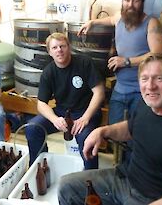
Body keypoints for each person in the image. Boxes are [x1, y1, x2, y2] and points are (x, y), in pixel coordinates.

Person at [58, 54, 162, 205]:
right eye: (144, 79)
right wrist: (103, 131)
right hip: (124, 179)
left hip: (153, 199)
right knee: (66, 187)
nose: (150, 86)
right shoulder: (146, 105)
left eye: (159, 78)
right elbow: (131, 128)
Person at [78, 0, 162, 162]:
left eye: (135, 0)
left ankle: (133, 172)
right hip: (120, 89)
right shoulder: (119, 18)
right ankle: (119, 169)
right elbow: (109, 20)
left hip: (142, 91)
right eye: (127, 0)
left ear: (142, 2)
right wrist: (92, 22)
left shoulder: (151, 23)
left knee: (137, 135)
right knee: (115, 133)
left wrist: (126, 61)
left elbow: (157, 53)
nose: (130, 4)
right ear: (122, 2)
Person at [25, 32, 105, 169]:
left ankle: (91, 179)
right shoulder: (48, 72)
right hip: (62, 113)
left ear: (69, 47)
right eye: (54, 48)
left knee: (86, 139)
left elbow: (99, 92)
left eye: (62, 46)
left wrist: (85, 118)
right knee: (33, 128)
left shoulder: (84, 63)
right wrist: (54, 119)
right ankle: (40, 167)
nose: (59, 50)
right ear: (49, 52)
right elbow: (41, 103)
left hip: (86, 112)